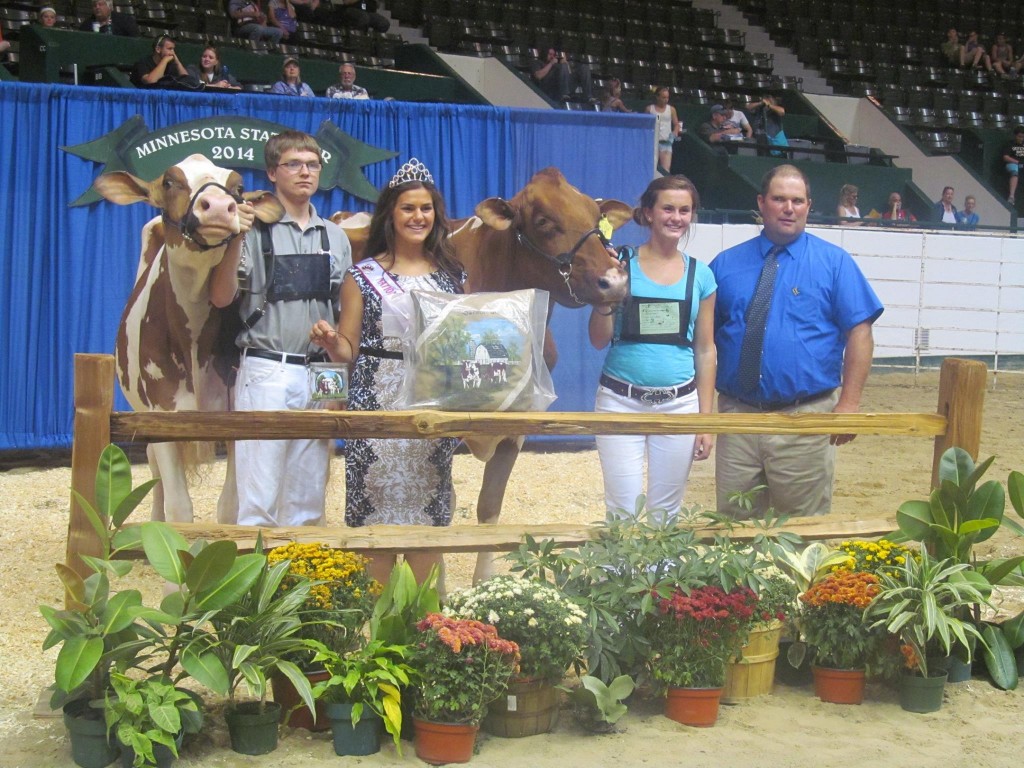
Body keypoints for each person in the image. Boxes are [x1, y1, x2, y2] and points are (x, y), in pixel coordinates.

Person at [309, 158, 464, 590]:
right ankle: (372, 624)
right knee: (373, 529)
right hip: (375, 407)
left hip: (429, 408)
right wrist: (330, 342)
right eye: (408, 208)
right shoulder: (362, 276)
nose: (418, 217)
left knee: (427, 522)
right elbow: (348, 349)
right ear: (390, 215)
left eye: (426, 208)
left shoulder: (453, 277)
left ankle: (427, 623)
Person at [710, 164, 883, 519]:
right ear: (761, 203)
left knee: (802, 530)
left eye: (797, 201)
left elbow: (860, 332)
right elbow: (704, 341)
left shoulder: (834, 263)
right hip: (737, 419)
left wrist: (849, 404)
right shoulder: (725, 265)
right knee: (732, 529)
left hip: (805, 419)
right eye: (779, 199)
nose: (788, 208)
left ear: (808, 206)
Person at [209, 130, 351, 528]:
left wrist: (337, 390)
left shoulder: (335, 237)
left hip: (320, 371)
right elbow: (220, 297)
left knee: (309, 500)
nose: (305, 172)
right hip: (267, 367)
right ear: (272, 172)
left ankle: (300, 570)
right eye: (294, 164)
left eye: (313, 164)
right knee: (259, 501)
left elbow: (340, 318)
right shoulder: (252, 230)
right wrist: (236, 236)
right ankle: (257, 570)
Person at [589, 175, 716, 521]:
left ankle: (662, 562)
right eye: (668, 208)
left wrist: (706, 422)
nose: (676, 217)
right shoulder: (619, 263)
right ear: (648, 213)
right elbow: (598, 339)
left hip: (679, 405)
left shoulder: (701, 275)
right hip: (619, 402)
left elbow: (706, 351)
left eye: (684, 210)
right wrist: (605, 292)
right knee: (622, 511)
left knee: (666, 514)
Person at [132, 35, 196, 89]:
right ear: (158, 49)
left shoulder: (171, 65)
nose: (173, 53)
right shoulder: (142, 63)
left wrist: (177, 63)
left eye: (173, 49)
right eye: (169, 49)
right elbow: (151, 82)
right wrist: (164, 61)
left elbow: (188, 83)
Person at [647, 86, 682, 172]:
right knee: (651, 168)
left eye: (667, 98)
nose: (666, 100)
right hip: (653, 143)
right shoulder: (649, 109)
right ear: (657, 97)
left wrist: (674, 133)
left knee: (665, 169)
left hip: (666, 143)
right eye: (663, 97)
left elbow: (676, 124)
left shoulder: (671, 109)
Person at [1002, 125, 1024, 204]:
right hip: (1012, 164)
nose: (1021, 139)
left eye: (1023, 137)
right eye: (1019, 136)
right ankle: (1011, 196)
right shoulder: (1010, 144)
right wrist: (1017, 162)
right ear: (1015, 135)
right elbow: (1006, 157)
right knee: (1014, 171)